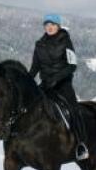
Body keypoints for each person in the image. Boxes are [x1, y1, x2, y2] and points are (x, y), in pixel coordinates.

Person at [29, 14, 89, 160]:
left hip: (63, 84)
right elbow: (35, 67)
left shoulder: (66, 41)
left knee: (74, 109)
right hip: (45, 84)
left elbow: (72, 65)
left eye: (53, 24)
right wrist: (26, 80)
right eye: (47, 24)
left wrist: (56, 79)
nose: (49, 27)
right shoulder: (39, 44)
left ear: (58, 26)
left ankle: (81, 145)